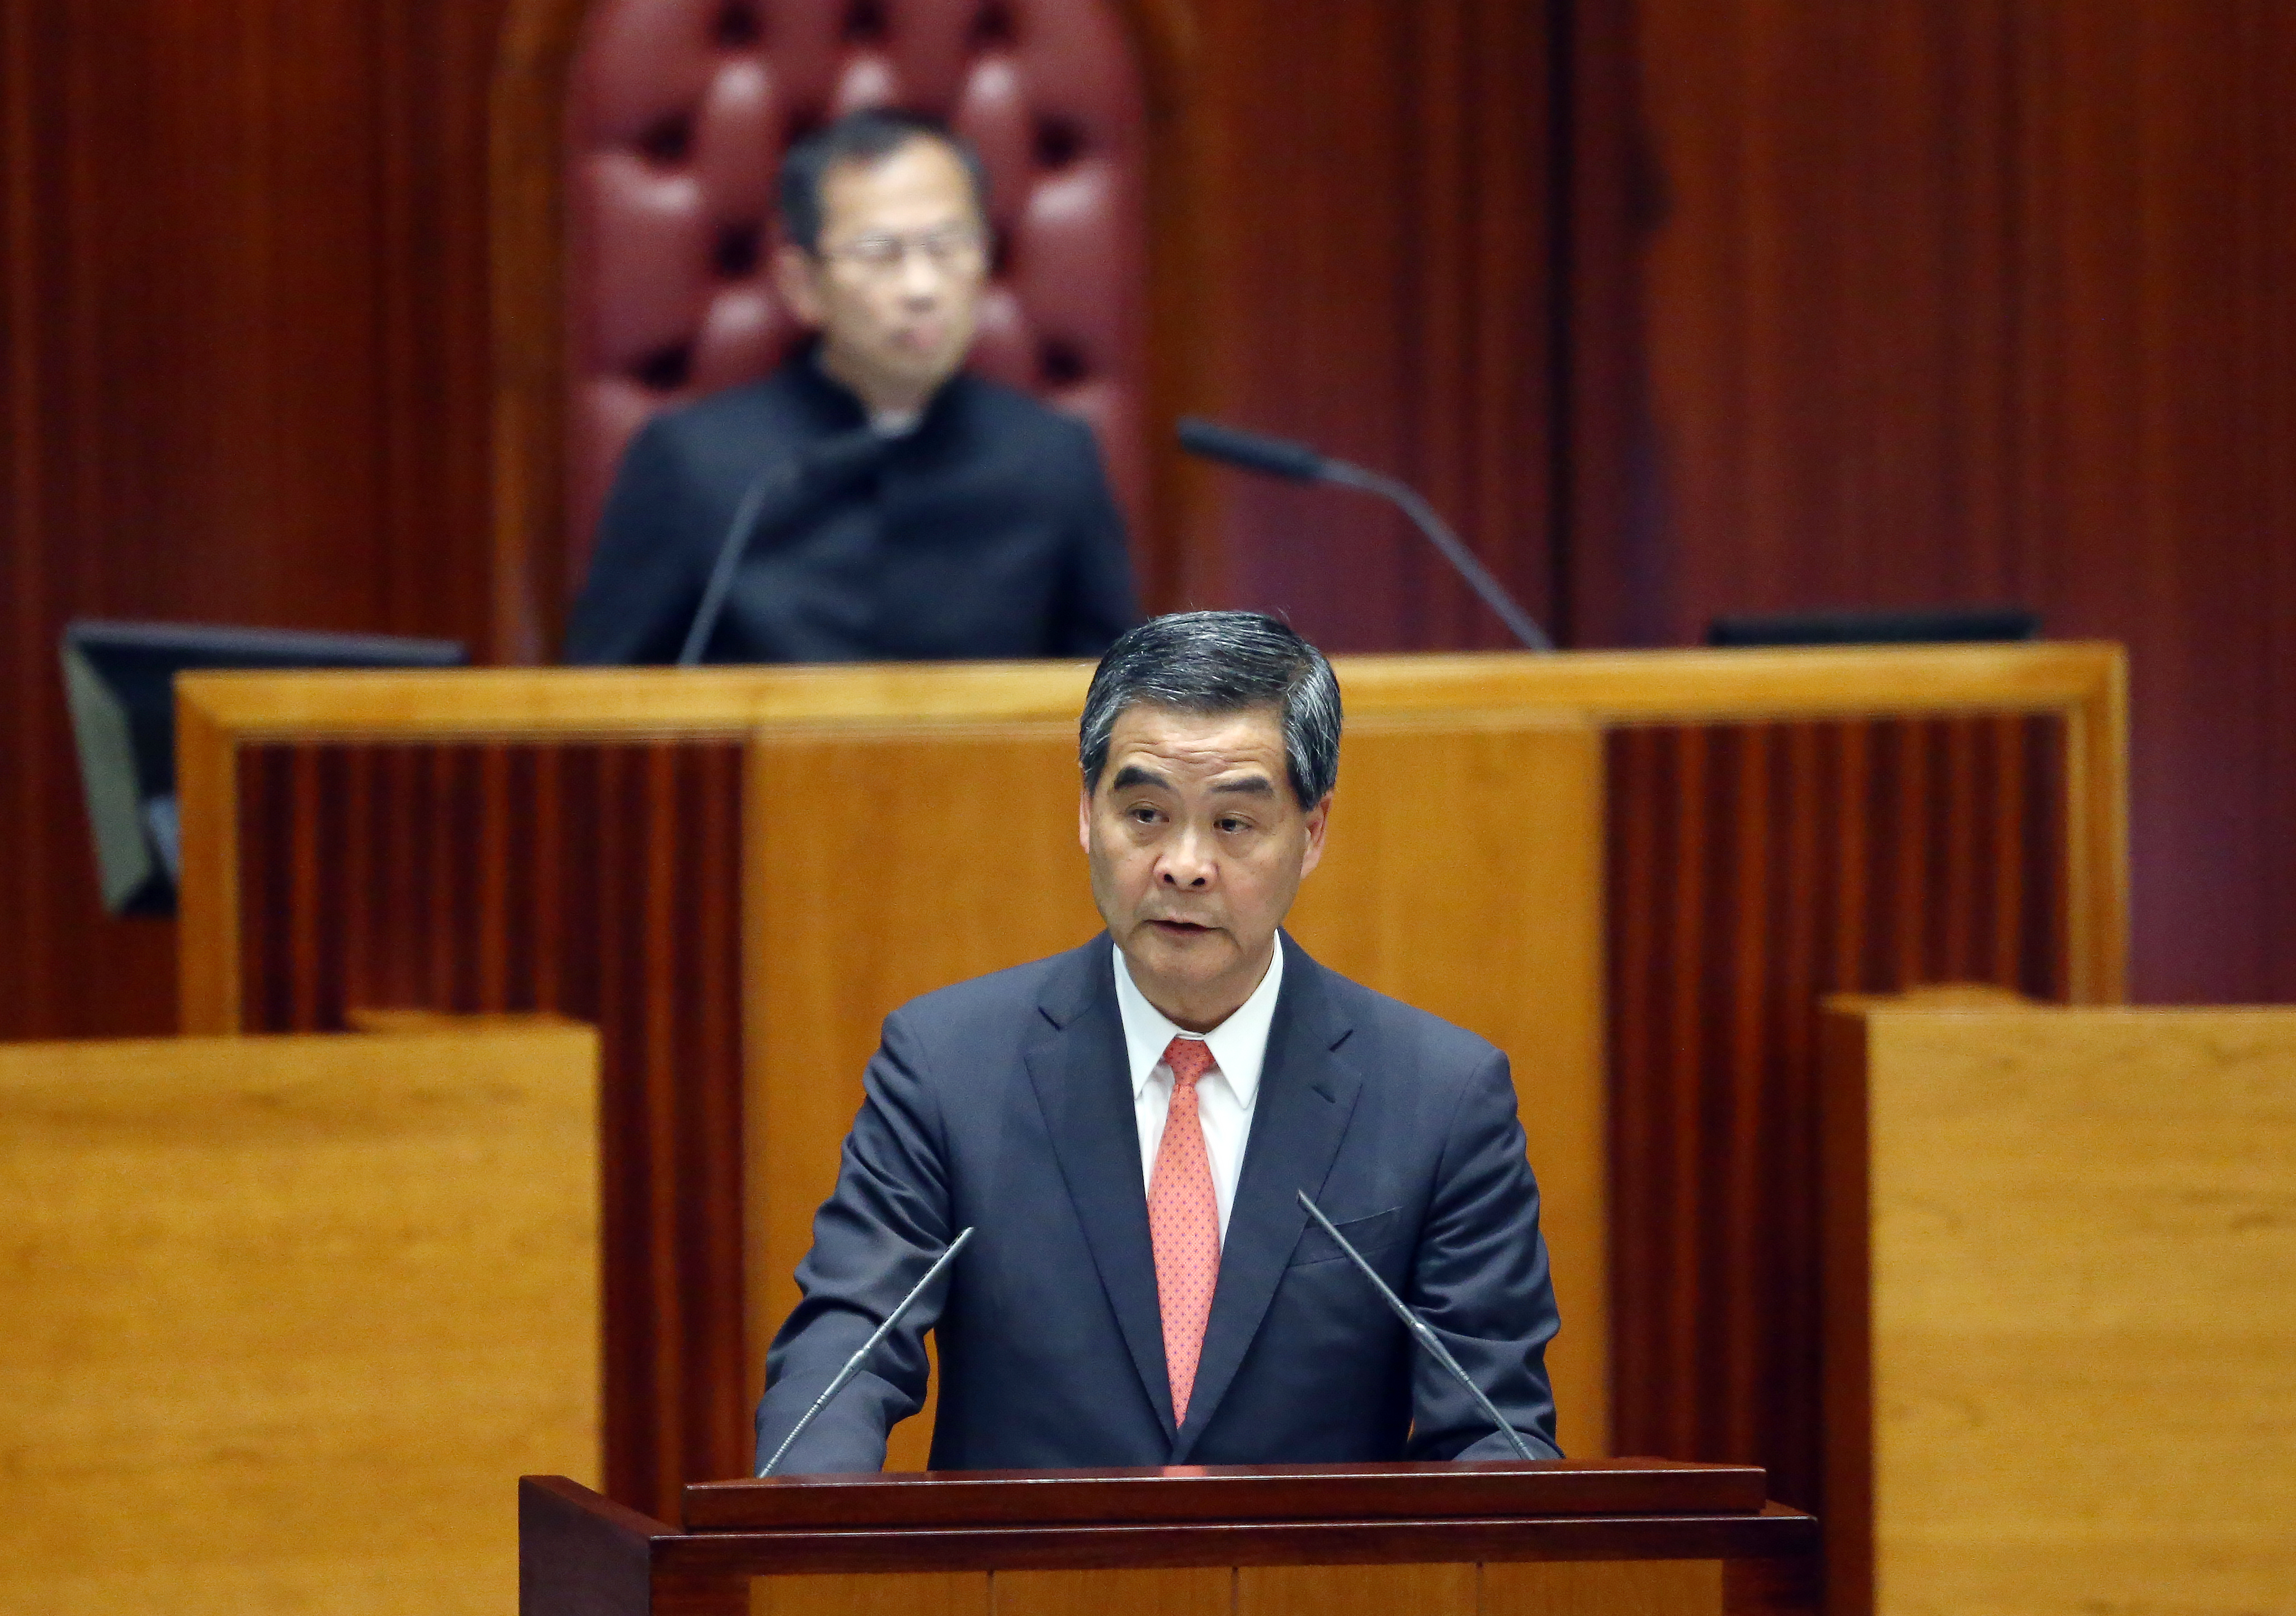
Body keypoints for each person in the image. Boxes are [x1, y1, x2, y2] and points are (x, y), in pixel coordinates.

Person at [756, 611, 1562, 1473]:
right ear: (1085, 812)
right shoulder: (947, 1068)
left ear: (1314, 831)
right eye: (1144, 812)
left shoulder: (1440, 1098)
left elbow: (1492, 1433)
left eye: (1233, 824)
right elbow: (842, 1357)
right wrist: (808, 1529)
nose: (1183, 864)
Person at [564, 108, 1140, 665]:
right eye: (879, 253)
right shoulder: (692, 462)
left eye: (947, 245)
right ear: (802, 284)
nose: (921, 287)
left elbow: (1120, 706)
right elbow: (607, 712)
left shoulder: (1053, 457)